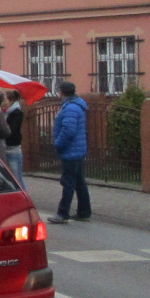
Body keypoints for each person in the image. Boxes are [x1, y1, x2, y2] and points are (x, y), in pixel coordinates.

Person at [49, 81, 91, 224]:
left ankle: (62, 213)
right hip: (77, 150)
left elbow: (68, 130)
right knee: (79, 182)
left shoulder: (70, 108)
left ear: (62, 92)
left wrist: (58, 144)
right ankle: (84, 212)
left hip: (70, 150)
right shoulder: (75, 105)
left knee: (68, 183)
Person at [1, 89, 25, 187]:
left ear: (11, 101)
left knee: (17, 179)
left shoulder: (17, 113)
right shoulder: (4, 112)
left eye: (5, 100)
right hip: (4, 148)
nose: (3, 103)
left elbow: (12, 131)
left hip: (13, 149)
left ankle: (24, 198)